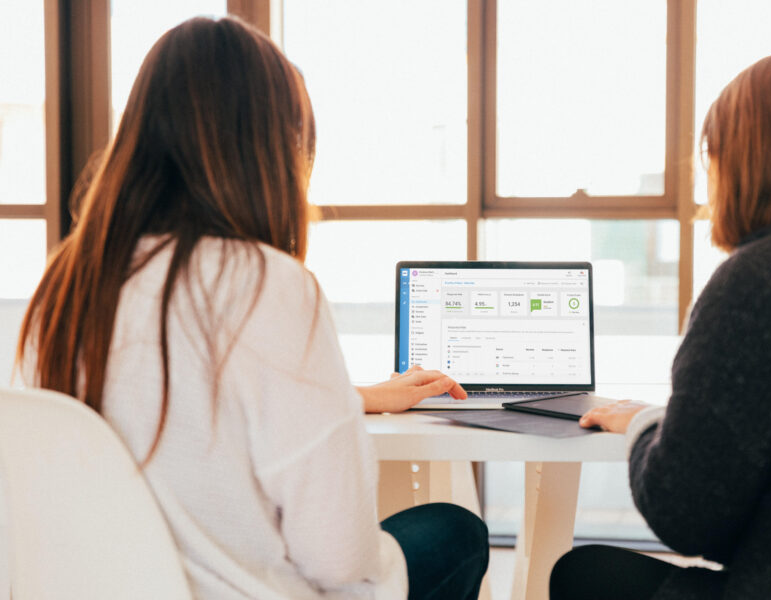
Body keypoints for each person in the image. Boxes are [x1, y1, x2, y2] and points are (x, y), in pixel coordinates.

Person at [16, 16, 488, 600]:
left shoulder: (65, 286)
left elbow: (182, 407)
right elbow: (338, 558)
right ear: (270, 150)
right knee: (455, 531)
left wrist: (353, 396)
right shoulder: (268, 284)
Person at [551, 52, 771, 599]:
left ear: (740, 162)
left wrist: (645, 424)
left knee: (582, 575)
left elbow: (685, 515)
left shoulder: (760, 280)